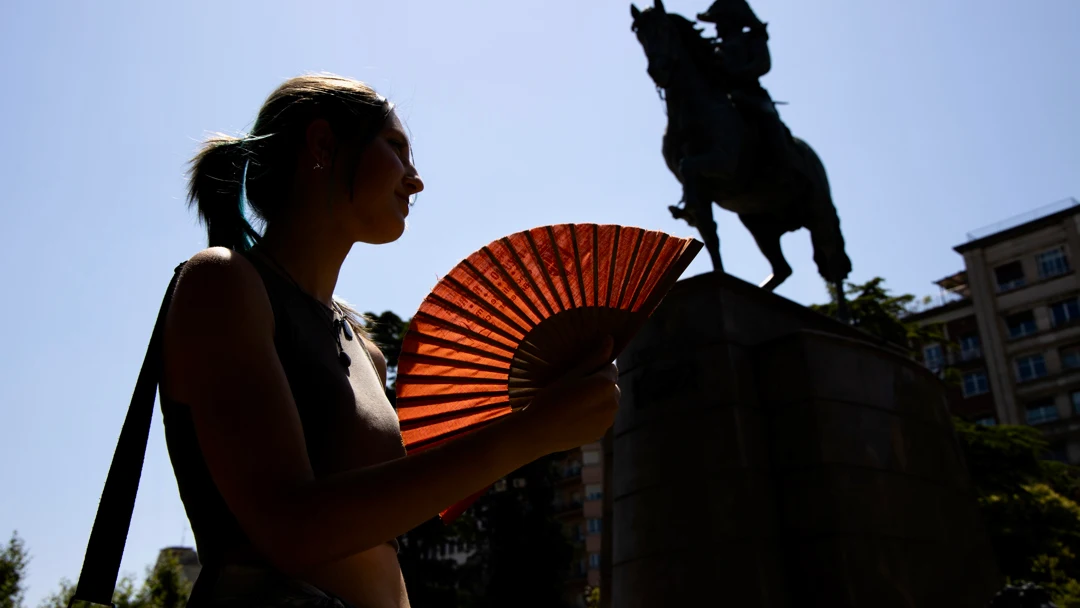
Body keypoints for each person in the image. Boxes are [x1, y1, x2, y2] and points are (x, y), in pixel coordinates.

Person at [162, 73, 621, 608]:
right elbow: (291, 528)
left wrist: (542, 406)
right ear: (323, 145)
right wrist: (531, 433)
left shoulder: (364, 347)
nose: (416, 179)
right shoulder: (223, 281)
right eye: (397, 147)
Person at [697, 0, 790, 176]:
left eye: (720, 21)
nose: (716, 27)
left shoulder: (752, 40)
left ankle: (781, 168)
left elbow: (763, 64)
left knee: (770, 123)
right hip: (722, 98)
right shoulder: (714, 48)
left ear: (732, 21)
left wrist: (736, 74)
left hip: (751, 95)